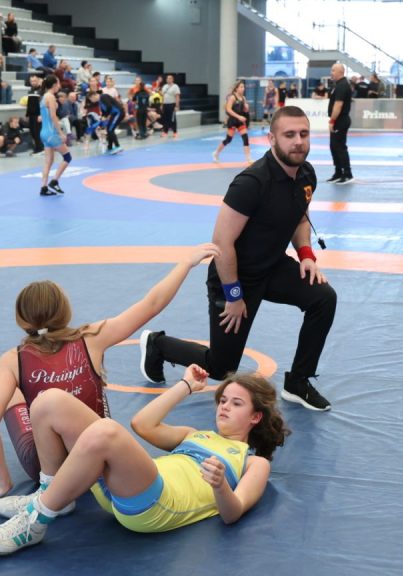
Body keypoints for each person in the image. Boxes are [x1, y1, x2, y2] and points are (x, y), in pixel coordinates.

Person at [0, 243, 221, 506]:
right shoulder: (91, 338)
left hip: (47, 469)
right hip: (96, 460)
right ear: (65, 311)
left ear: (21, 319)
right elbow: (152, 304)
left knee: (4, 382)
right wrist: (186, 263)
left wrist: (3, 484)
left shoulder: (13, 359)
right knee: (81, 386)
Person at [139, 106, 337, 412]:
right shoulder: (251, 183)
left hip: (272, 267)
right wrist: (233, 295)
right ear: (272, 138)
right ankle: (158, 345)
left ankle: (298, 381)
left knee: (323, 298)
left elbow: (301, 218)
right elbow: (222, 242)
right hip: (234, 277)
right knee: (221, 368)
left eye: (304, 133)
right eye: (289, 135)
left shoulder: (306, 173)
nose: (298, 141)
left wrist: (306, 255)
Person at [0, 365, 287, 555]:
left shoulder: (253, 463)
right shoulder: (195, 434)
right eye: (223, 400)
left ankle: (34, 523)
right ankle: (52, 494)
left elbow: (233, 513)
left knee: (107, 431)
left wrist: (220, 486)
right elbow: (142, 424)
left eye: (236, 403)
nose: (224, 407)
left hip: (158, 506)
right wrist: (185, 386)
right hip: (126, 489)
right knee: (49, 401)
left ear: (255, 417)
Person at [38, 74, 72, 195]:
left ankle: (43, 187)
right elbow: (53, 116)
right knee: (67, 157)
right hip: (51, 133)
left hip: (44, 133)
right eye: (58, 83)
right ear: (54, 85)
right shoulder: (51, 97)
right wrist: (61, 133)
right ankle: (54, 181)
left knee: (48, 161)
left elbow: (44, 116)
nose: (59, 85)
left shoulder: (44, 97)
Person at [327, 63, 353, 184]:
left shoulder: (342, 85)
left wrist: (332, 121)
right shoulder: (337, 85)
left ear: (340, 72)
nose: (331, 72)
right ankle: (338, 172)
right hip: (338, 120)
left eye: (333, 70)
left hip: (341, 120)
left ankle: (347, 174)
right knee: (334, 147)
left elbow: (338, 105)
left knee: (340, 147)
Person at [212, 80, 251, 164]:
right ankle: (216, 153)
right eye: (241, 87)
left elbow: (245, 110)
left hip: (240, 121)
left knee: (245, 138)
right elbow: (228, 109)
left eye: (243, 87)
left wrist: (246, 108)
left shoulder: (243, 98)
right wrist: (239, 117)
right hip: (233, 120)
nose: (243, 88)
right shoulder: (232, 97)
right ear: (236, 88)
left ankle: (248, 159)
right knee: (228, 139)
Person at [87, 90, 124, 155]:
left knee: (110, 130)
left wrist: (106, 116)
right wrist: (102, 117)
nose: (91, 101)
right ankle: (110, 147)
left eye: (91, 99)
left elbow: (109, 107)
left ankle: (118, 146)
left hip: (118, 112)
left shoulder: (103, 97)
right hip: (114, 114)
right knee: (108, 129)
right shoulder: (100, 102)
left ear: (93, 96)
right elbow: (104, 112)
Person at [24, 74, 43, 154]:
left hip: (38, 114)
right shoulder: (31, 90)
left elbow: (42, 104)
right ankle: (37, 148)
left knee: (37, 132)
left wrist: (41, 115)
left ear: (38, 81)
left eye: (35, 81)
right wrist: (27, 114)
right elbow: (29, 103)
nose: (33, 82)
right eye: (31, 81)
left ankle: (40, 148)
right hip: (31, 114)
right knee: (32, 132)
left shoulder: (41, 90)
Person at [160, 74, 180, 138]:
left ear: (172, 79)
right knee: (165, 119)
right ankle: (165, 132)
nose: (168, 79)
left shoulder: (175, 86)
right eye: (167, 78)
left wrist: (176, 106)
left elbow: (177, 96)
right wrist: (161, 105)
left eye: (170, 78)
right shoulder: (164, 86)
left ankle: (175, 132)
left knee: (173, 119)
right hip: (165, 104)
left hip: (172, 104)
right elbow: (162, 96)